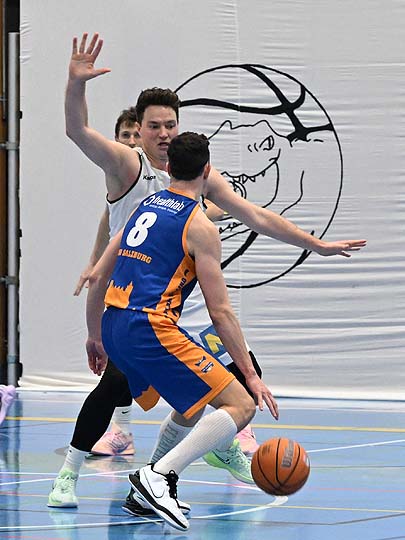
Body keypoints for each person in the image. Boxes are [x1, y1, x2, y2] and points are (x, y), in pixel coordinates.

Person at [48, 33, 366, 511]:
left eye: (170, 125)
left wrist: (314, 243)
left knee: (237, 371)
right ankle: (77, 475)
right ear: (139, 129)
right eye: (154, 126)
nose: (163, 133)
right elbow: (79, 137)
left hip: (177, 302)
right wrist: (76, 84)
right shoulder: (127, 164)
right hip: (137, 301)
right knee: (121, 388)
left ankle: (179, 465)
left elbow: (255, 215)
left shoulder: (194, 176)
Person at [85, 131, 279, 531]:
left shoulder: (145, 204)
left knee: (191, 404)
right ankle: (159, 476)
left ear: (169, 167)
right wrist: (251, 374)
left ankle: (144, 495)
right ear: (207, 171)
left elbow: (100, 273)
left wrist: (94, 333)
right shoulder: (200, 226)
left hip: (116, 322)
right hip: (149, 326)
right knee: (241, 404)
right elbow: (220, 312)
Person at [72, 107, 141, 457]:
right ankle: (121, 432)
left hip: (168, 285)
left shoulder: (167, 172)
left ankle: (238, 425)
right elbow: (108, 219)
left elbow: (210, 204)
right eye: (125, 135)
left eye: (136, 134)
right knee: (118, 371)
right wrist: (93, 262)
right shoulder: (118, 174)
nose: (131, 141)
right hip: (127, 284)